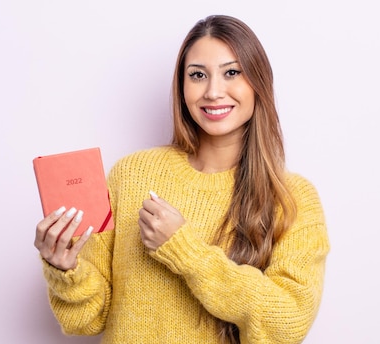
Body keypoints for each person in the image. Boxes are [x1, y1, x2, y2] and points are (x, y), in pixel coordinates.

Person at [34, 14, 330, 344]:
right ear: (182, 86)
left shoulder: (292, 197)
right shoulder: (131, 175)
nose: (214, 91)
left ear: (258, 82)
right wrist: (65, 269)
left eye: (232, 72)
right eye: (197, 75)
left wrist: (185, 252)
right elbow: (88, 319)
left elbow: (288, 324)